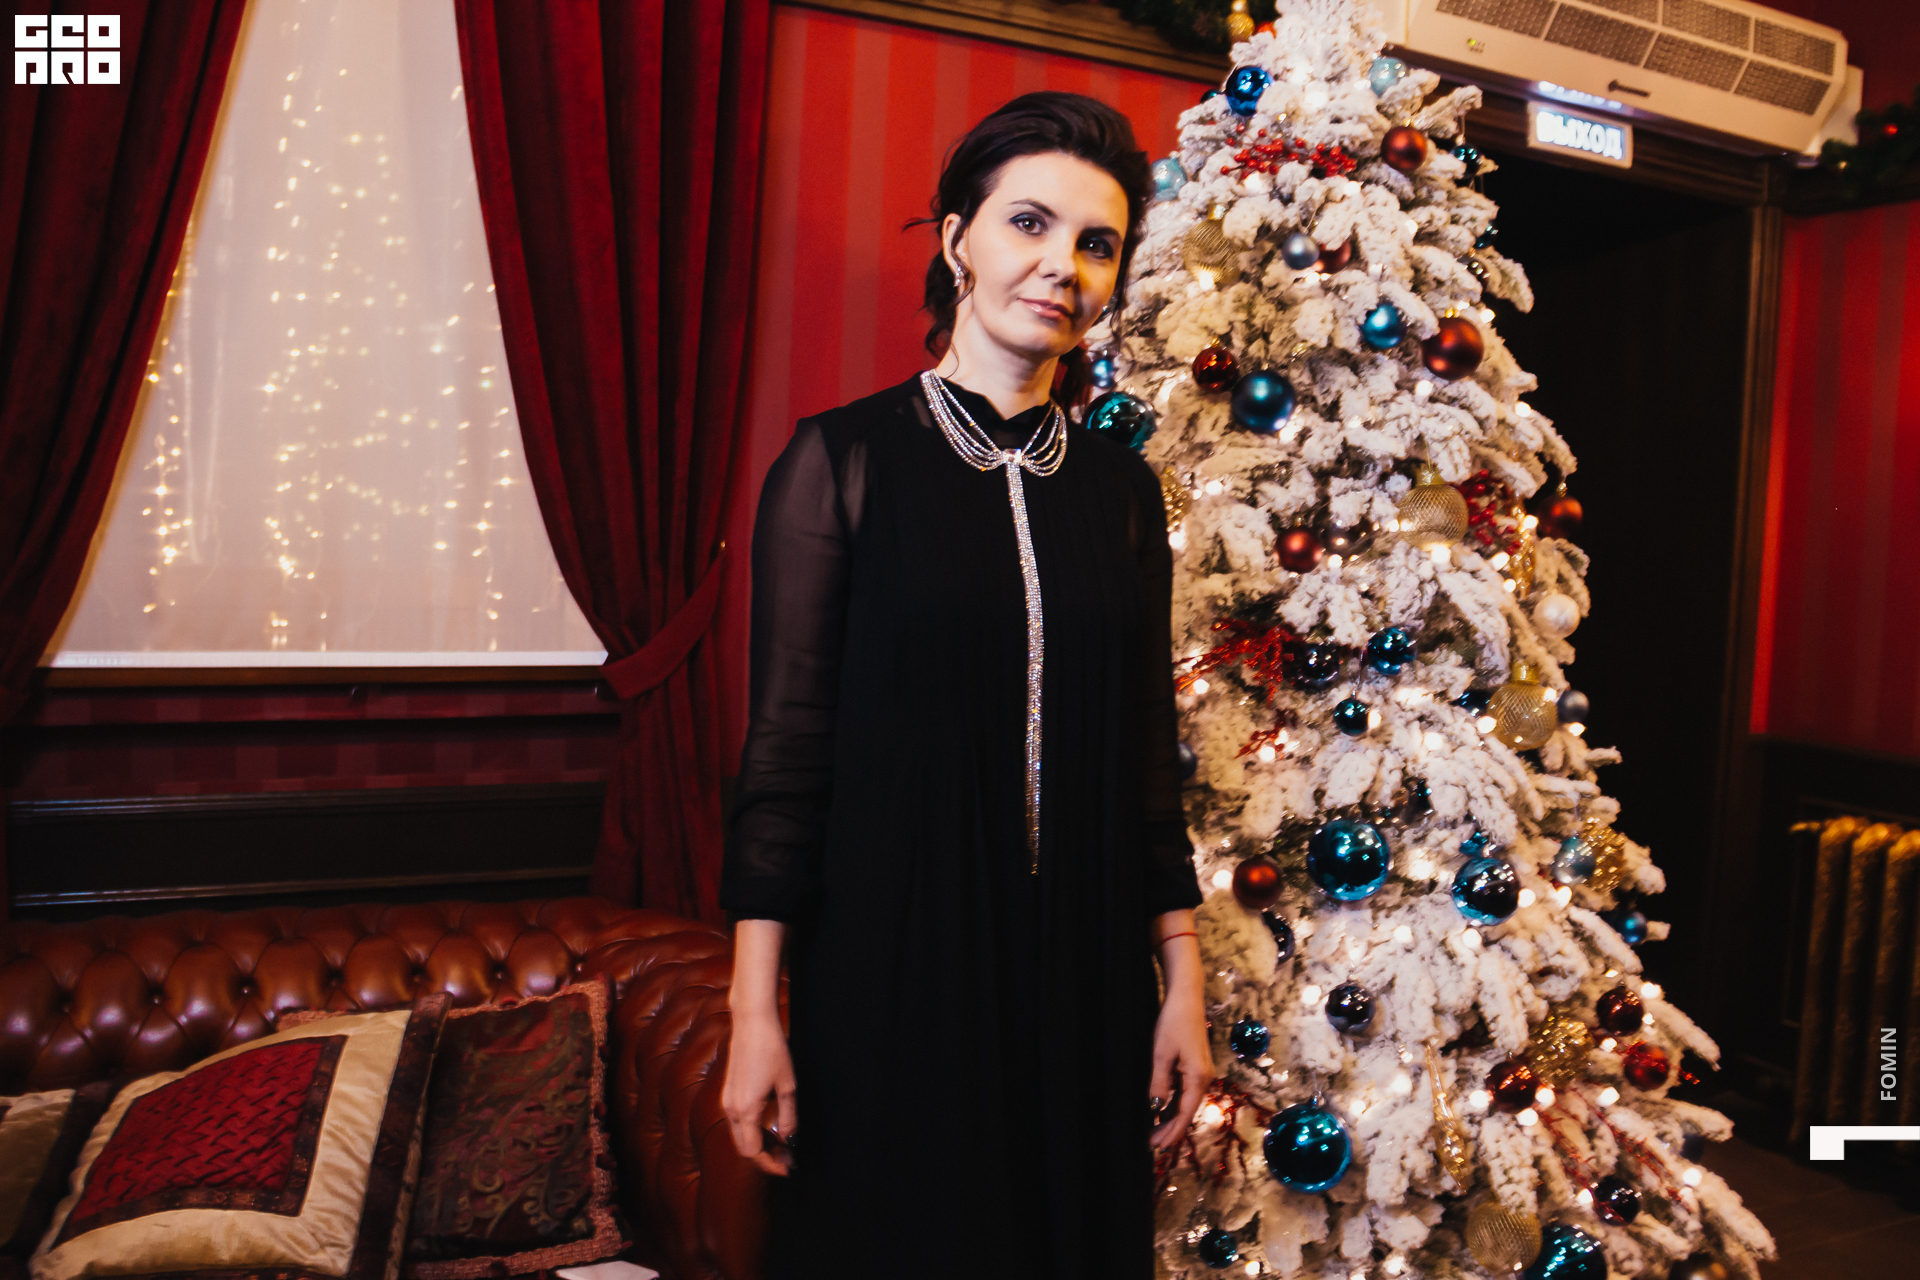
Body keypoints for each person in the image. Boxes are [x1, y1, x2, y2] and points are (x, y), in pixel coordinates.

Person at [719, 91, 1210, 1277]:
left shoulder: (1122, 493)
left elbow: (1148, 760)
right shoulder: (841, 462)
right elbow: (784, 761)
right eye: (1028, 223)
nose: (1062, 266)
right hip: (894, 976)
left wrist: (1181, 982)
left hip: (1085, 982)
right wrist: (754, 1012)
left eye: (1096, 243)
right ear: (957, 242)